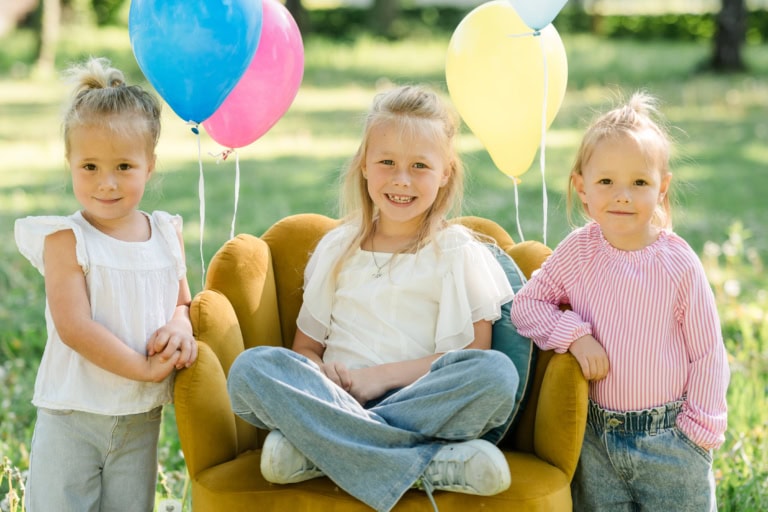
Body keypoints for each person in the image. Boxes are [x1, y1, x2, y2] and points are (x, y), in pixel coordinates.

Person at [226, 85, 518, 511]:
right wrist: (327, 376)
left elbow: (473, 355)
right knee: (249, 371)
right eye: (387, 162)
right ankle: (426, 465)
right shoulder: (337, 247)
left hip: (421, 401)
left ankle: (320, 453)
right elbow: (305, 349)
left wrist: (377, 379)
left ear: (446, 174)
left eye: (420, 165)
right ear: (364, 166)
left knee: (497, 375)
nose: (401, 179)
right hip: (333, 399)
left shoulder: (457, 251)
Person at [510, 91, 729, 511]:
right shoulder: (578, 252)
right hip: (596, 441)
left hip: (671, 440)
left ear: (661, 188)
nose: (622, 195)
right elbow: (527, 305)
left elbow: (707, 351)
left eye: (639, 182)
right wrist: (575, 336)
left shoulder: (677, 261)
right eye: (606, 182)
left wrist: (698, 432)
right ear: (582, 188)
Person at [14, 57, 198, 512]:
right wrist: (143, 368)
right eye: (90, 167)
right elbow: (75, 327)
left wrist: (180, 327)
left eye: (124, 167)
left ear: (150, 164)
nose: (107, 183)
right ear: (70, 162)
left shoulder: (165, 232)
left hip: (139, 417)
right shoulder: (66, 240)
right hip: (74, 414)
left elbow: (183, 304)